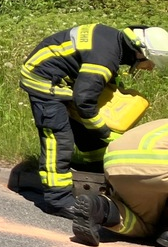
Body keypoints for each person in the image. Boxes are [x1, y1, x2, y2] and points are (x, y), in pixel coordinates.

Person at [19, 24, 168, 217]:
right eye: (151, 63)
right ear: (140, 53)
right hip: (43, 80)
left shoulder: (115, 45)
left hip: (68, 81)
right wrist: (105, 132)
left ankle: (97, 173)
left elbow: (92, 88)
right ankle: (57, 199)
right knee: (59, 138)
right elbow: (84, 101)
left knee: (89, 136)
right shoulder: (105, 58)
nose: (149, 69)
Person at [71, 116, 168, 247]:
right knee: (150, 227)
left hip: (114, 160)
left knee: (143, 223)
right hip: (157, 163)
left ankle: (99, 208)